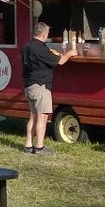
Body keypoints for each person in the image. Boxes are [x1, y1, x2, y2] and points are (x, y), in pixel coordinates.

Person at [21, 21, 76, 154]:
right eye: (47, 34)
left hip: (29, 84)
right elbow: (61, 61)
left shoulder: (27, 46)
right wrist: (70, 53)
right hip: (41, 85)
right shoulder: (41, 49)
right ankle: (39, 147)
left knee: (33, 116)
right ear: (44, 34)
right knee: (43, 116)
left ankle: (28, 145)